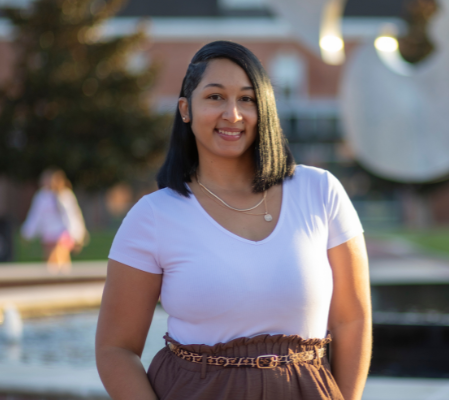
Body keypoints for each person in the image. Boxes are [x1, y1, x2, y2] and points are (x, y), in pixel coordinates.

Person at [95, 41, 372, 400]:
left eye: (247, 99)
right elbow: (115, 349)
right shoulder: (153, 216)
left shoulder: (320, 191)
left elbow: (352, 320)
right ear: (185, 109)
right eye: (214, 97)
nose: (233, 114)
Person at [21, 168, 88, 273]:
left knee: (54, 261)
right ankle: (63, 283)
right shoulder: (41, 197)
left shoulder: (65, 195)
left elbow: (72, 216)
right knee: (56, 261)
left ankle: (61, 282)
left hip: (63, 235)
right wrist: (27, 233)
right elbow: (35, 216)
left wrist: (77, 235)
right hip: (48, 235)